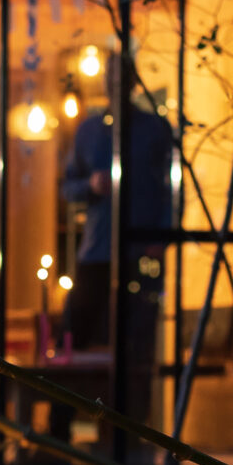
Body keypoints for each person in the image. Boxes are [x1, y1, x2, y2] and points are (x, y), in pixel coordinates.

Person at [58, 88, 176, 353]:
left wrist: (162, 233)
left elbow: (173, 186)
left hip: (140, 246)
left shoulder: (154, 129)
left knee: (136, 337)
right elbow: (68, 186)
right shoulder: (90, 131)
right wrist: (90, 184)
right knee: (78, 331)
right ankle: (77, 391)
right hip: (98, 248)